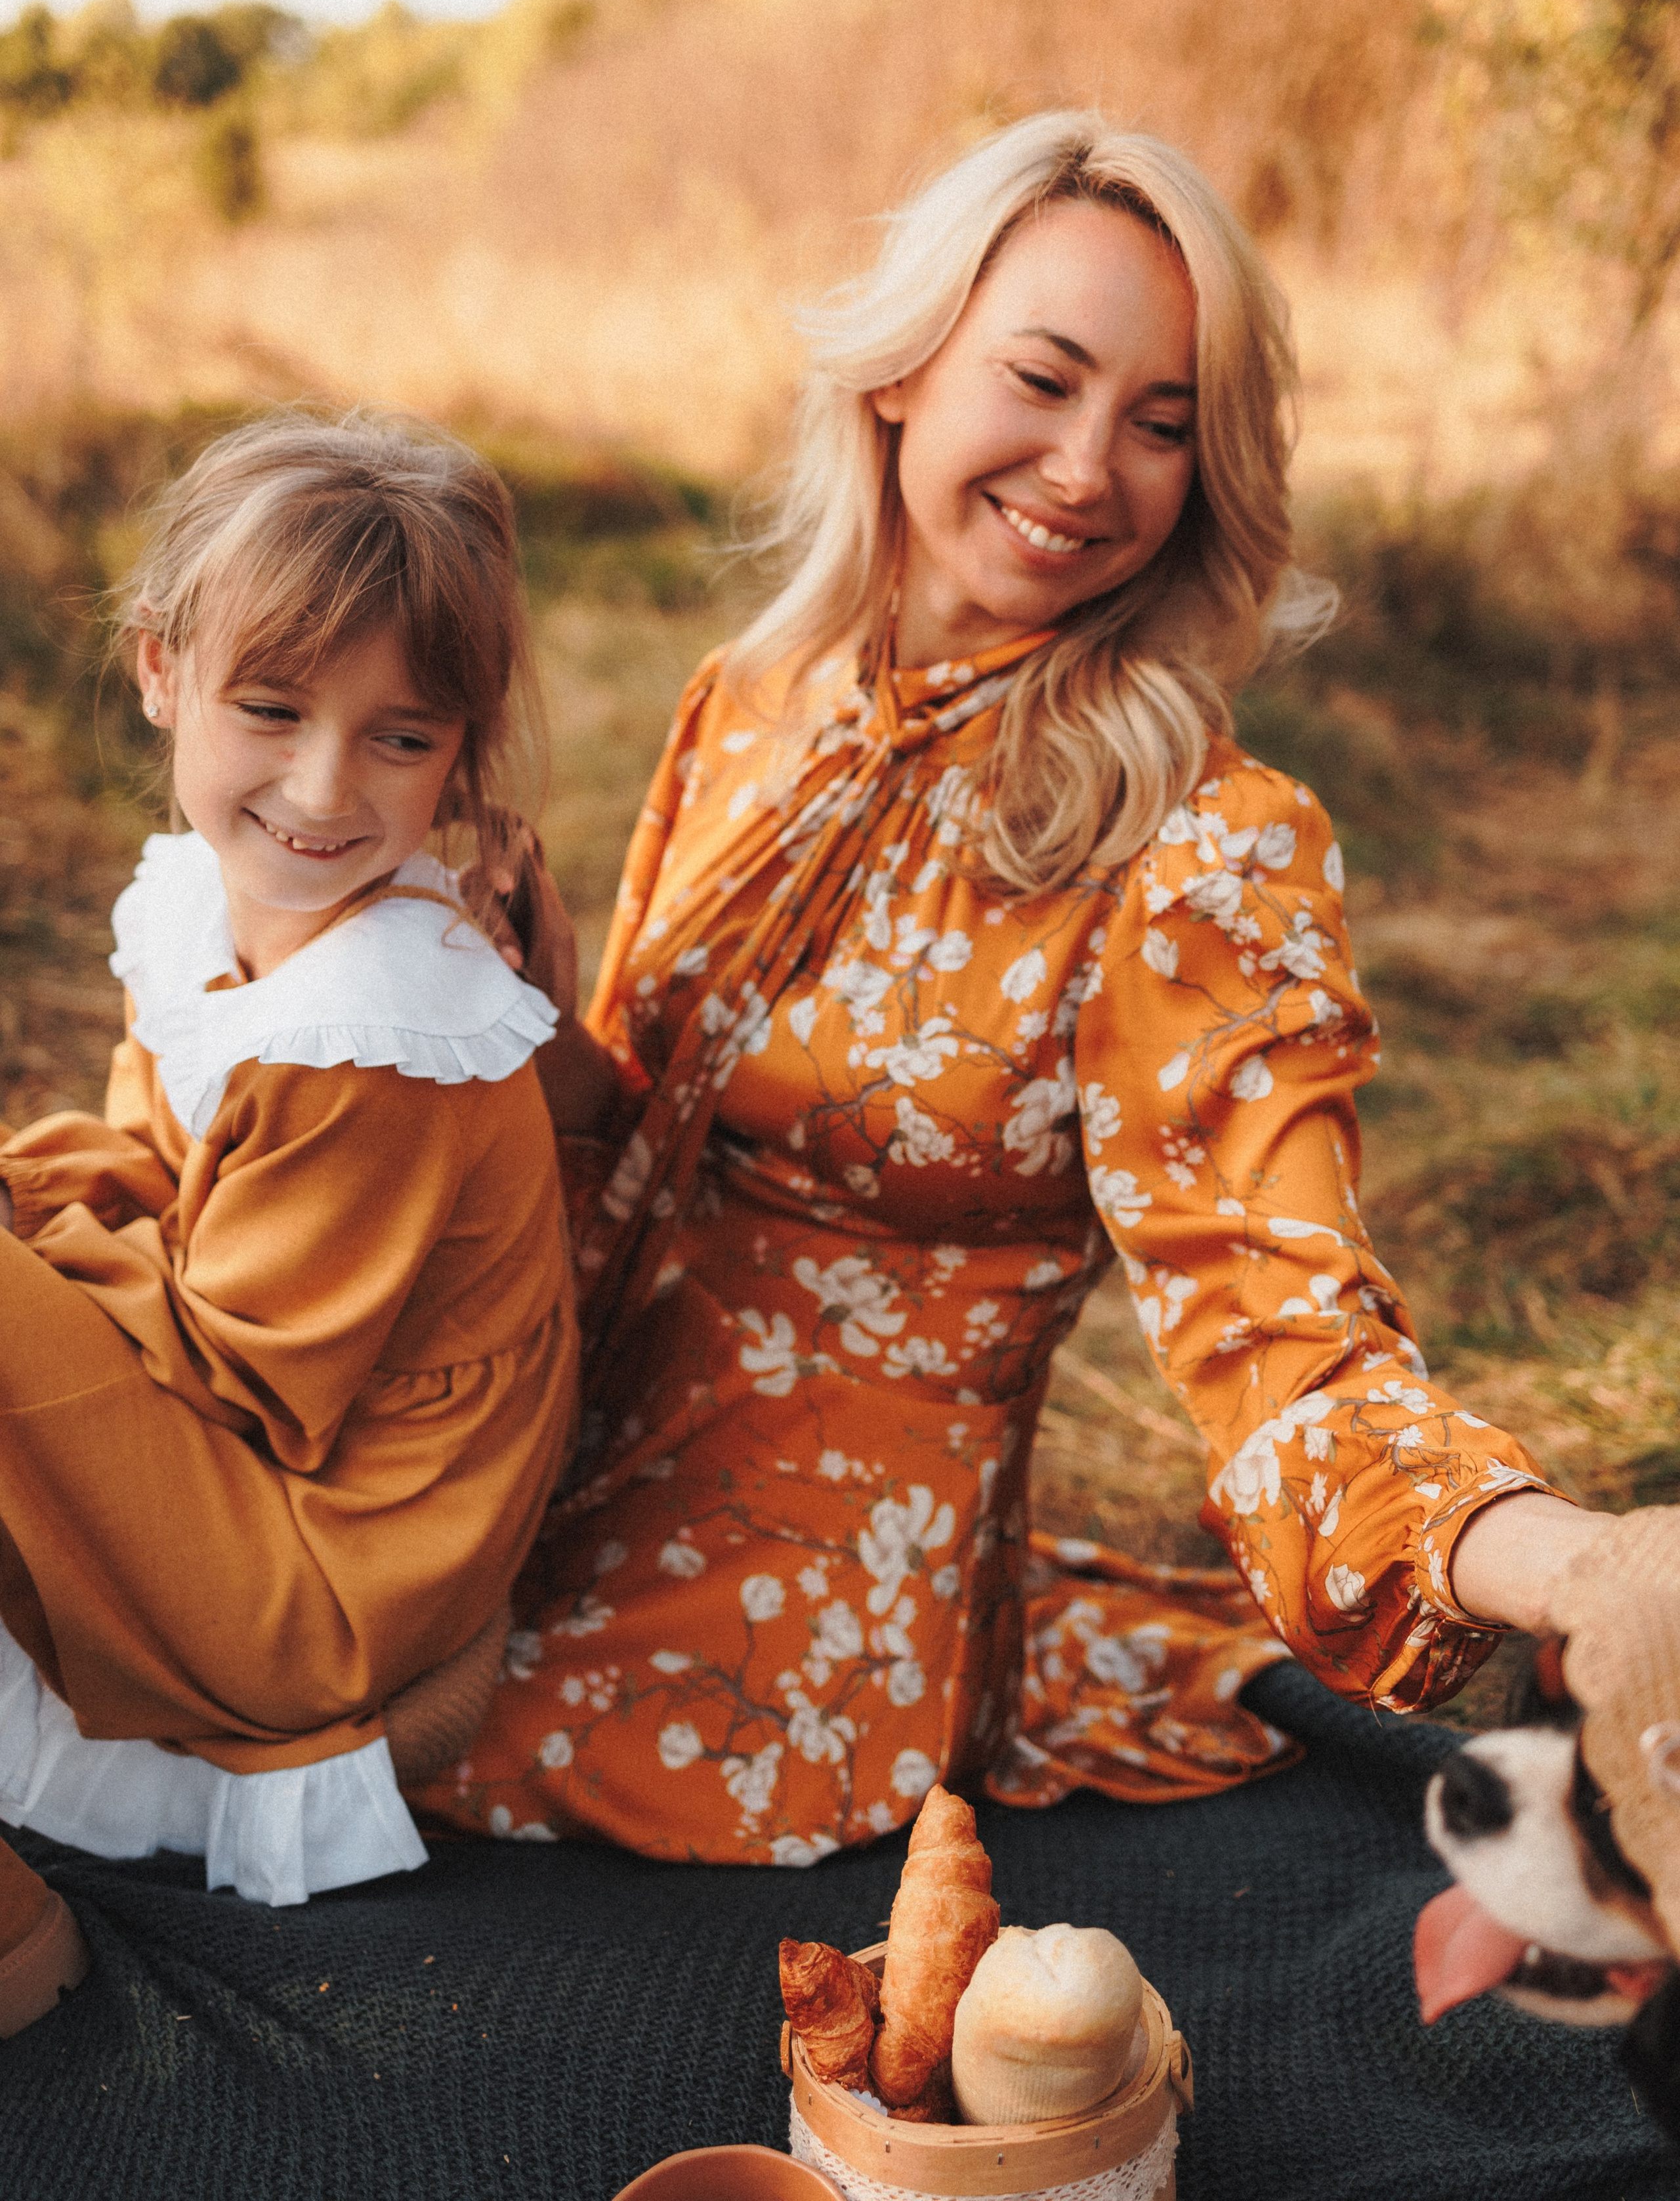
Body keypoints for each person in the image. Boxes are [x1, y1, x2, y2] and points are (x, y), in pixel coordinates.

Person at [413, 111, 1605, 1867]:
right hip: (537, 1459)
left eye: (1162, 426)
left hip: (809, 1637)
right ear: (903, 372)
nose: (1086, 468)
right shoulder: (756, 698)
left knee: (304, 1778)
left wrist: (1583, 1564)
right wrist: (486, 1017)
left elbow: (1283, 1332)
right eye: (1041, 380)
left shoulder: (1206, 841)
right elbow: (641, 1126)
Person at [0, 413, 581, 1981]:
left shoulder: (375, 1029)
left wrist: (37, 1252)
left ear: (457, 746)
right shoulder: (213, 899)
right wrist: (45, 1216)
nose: (324, 790)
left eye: (400, 738)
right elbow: (144, 1164)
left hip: (337, 1552)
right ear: (159, 673)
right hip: (249, 1441)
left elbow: (249, 1375)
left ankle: (18, 1939)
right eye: (271, 709)